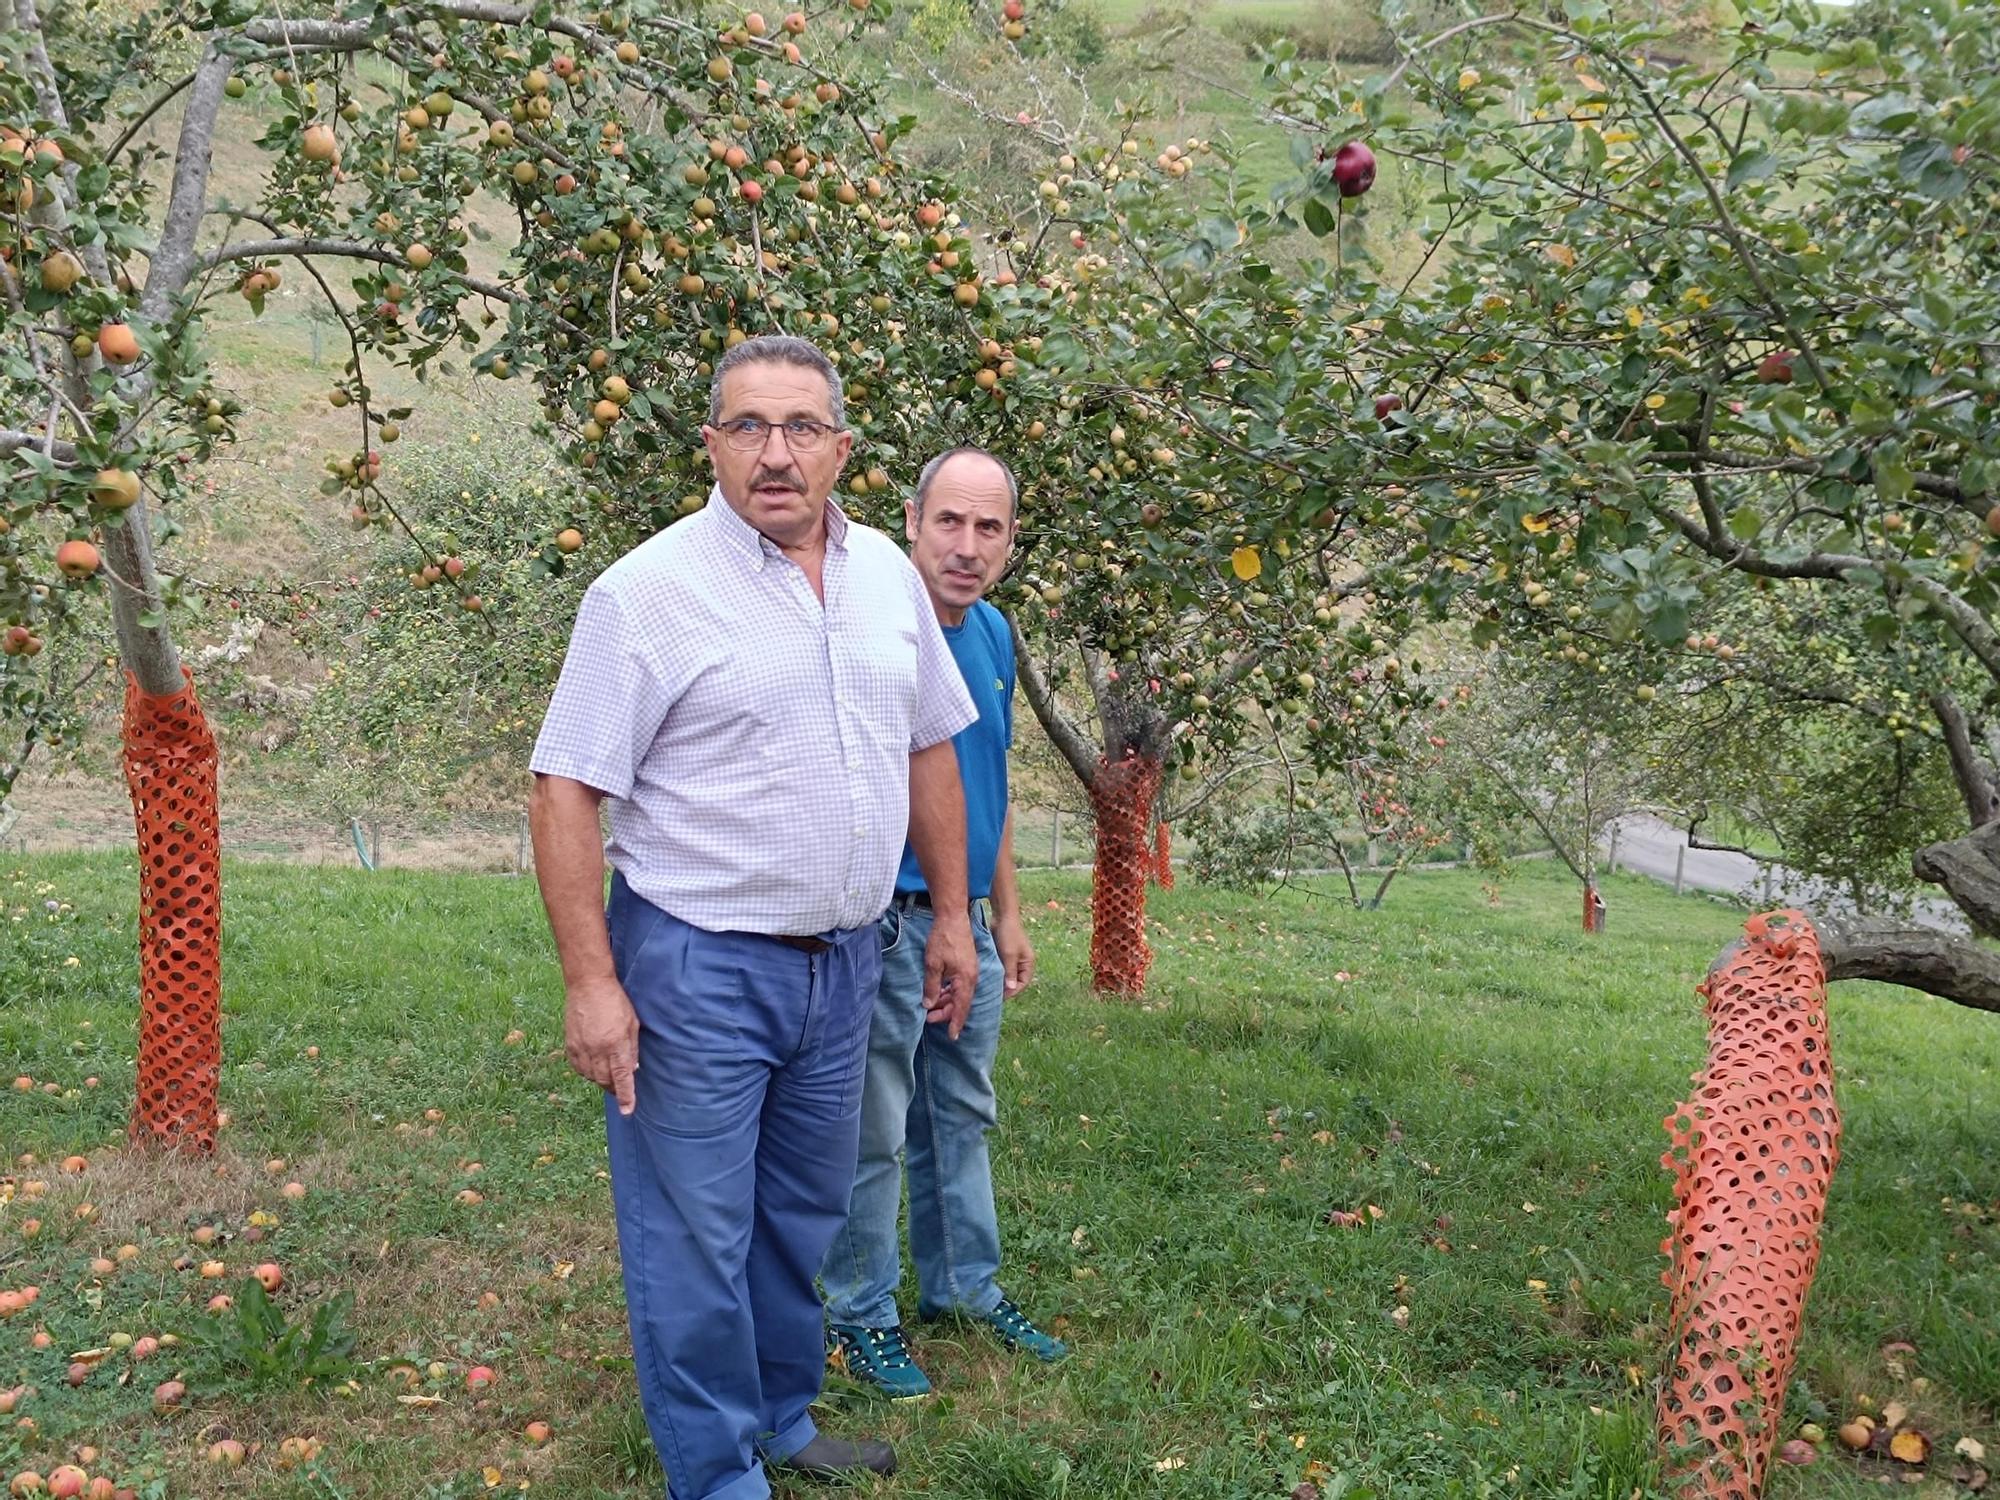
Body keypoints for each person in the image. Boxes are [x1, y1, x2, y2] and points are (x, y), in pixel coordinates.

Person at [527, 335, 980, 1499]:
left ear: (841, 448)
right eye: (747, 427)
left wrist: (951, 915)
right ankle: (718, 1472)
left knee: (797, 1216)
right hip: (696, 966)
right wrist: (592, 983)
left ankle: (780, 1415)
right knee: (695, 1236)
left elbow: (930, 743)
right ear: (711, 445)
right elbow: (564, 787)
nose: (775, 454)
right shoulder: (645, 592)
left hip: (845, 961)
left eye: (800, 428)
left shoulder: (886, 575)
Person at [820, 447, 1069, 1400]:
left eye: (988, 528)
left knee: (960, 1114)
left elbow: (983, 784)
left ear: (1010, 541)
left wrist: (1006, 912)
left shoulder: (994, 633)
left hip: (965, 922)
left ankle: (965, 1287)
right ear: (912, 524)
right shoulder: (870, 631)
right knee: (874, 1130)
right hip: (886, 924)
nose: (967, 546)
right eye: (949, 523)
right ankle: (860, 1314)